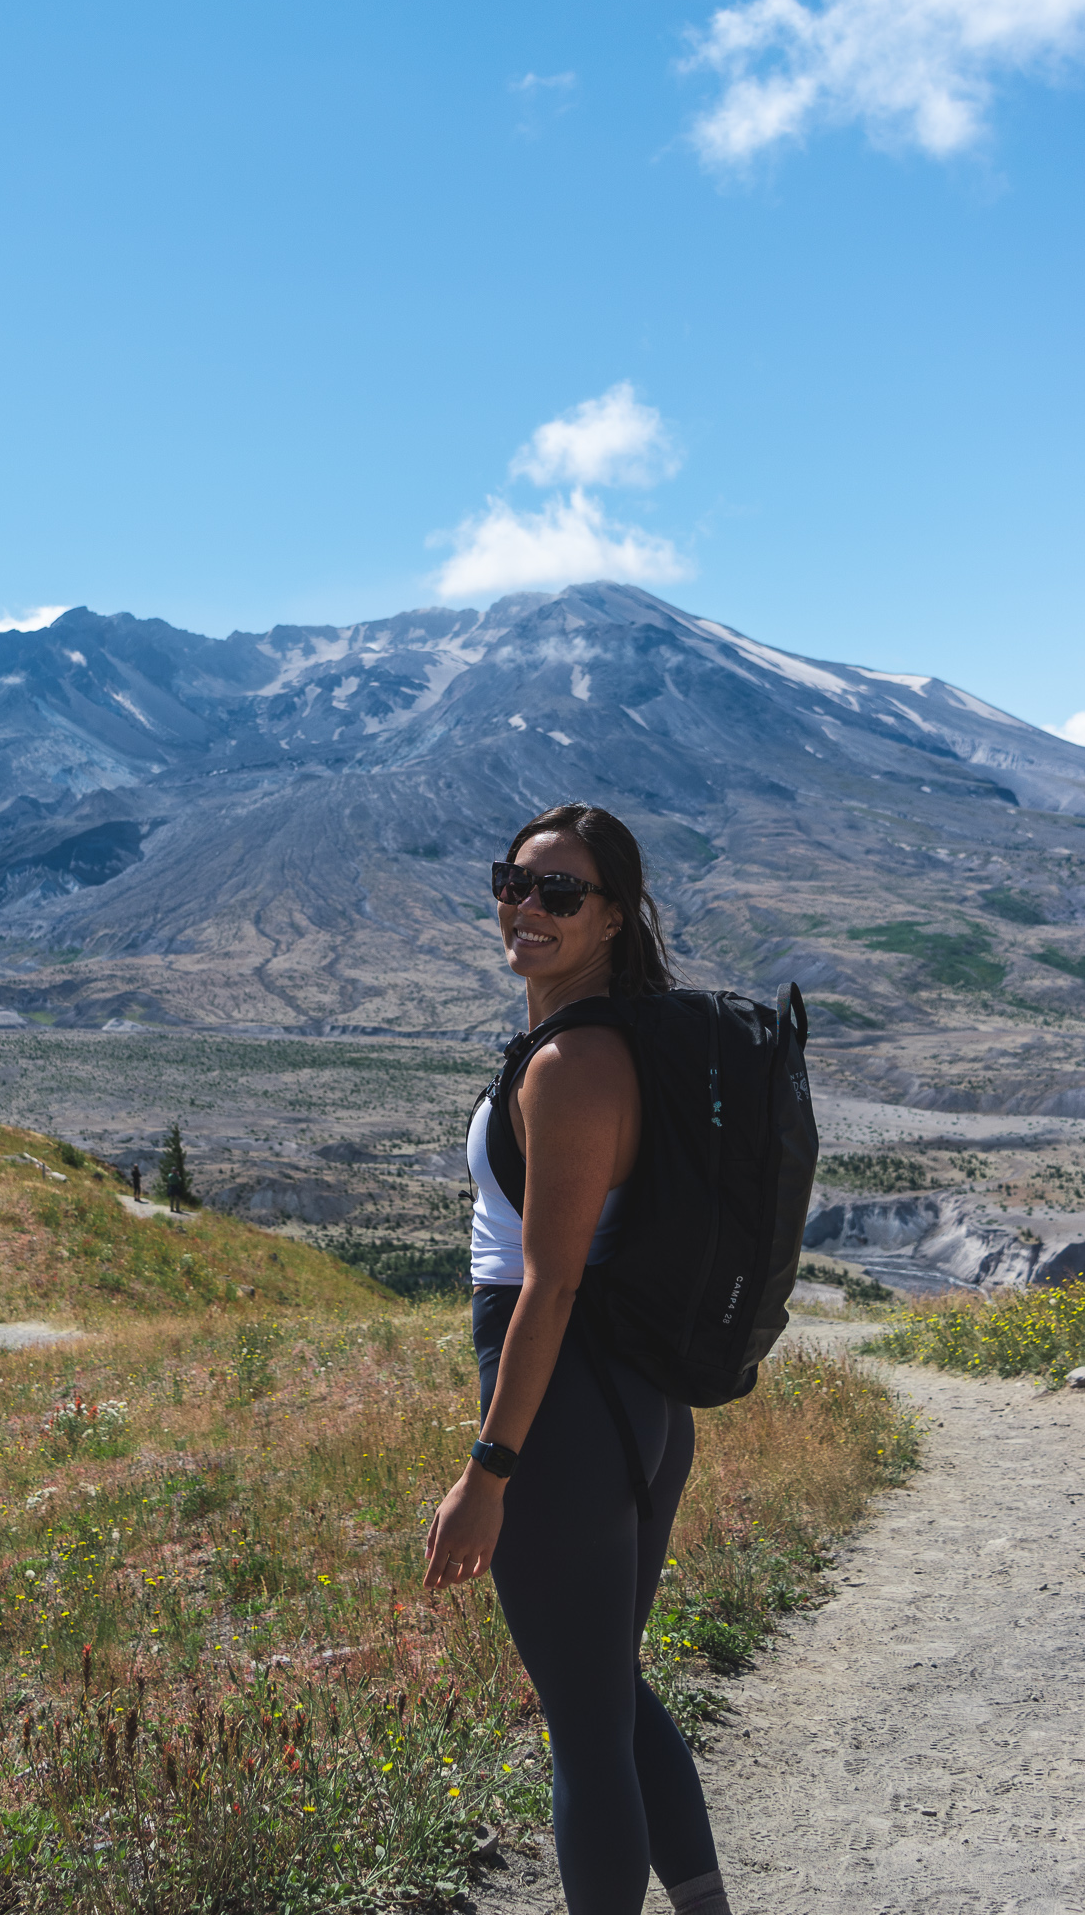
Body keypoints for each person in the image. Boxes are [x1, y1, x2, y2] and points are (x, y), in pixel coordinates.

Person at [423, 802, 730, 1915]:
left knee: (584, 1728)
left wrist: (487, 1469)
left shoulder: (571, 1063)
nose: (525, 907)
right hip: (631, 1404)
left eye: (560, 892)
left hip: (563, 1419)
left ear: (612, 916)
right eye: (512, 880)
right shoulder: (614, 1040)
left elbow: (547, 1283)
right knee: (608, 1693)